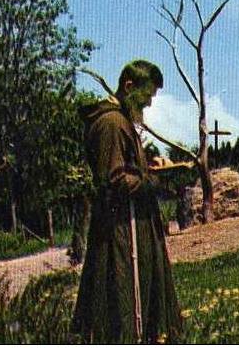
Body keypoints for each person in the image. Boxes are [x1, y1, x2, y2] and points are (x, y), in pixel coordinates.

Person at [71, 59, 181, 343]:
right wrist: (153, 181)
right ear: (129, 86)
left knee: (136, 297)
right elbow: (115, 180)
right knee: (124, 299)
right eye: (146, 98)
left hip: (127, 224)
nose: (148, 106)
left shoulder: (120, 121)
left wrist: (148, 166)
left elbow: (123, 167)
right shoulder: (111, 123)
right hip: (121, 230)